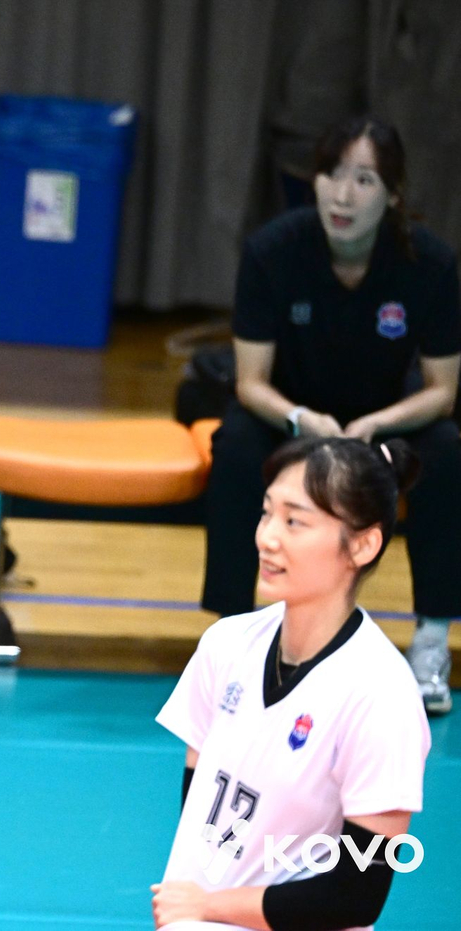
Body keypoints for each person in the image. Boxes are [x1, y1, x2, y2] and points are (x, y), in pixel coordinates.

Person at [202, 115, 460, 714]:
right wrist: (302, 418)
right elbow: (249, 384)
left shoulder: (432, 264)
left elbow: (443, 391)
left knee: (446, 451)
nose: (343, 195)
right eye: (332, 175)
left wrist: (379, 424)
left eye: (365, 180)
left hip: (382, 421)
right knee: (237, 444)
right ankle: (232, 635)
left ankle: (431, 641)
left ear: (393, 197)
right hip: (295, 419)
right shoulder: (273, 252)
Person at [153, 437, 430, 930]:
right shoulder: (227, 643)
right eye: (266, 514)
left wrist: (206, 907)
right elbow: (198, 804)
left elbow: (356, 894)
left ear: (363, 544)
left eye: (295, 521)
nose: (267, 537)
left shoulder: (382, 696)